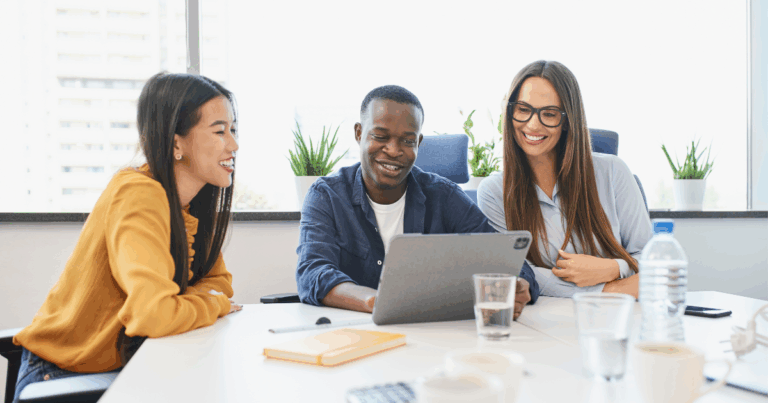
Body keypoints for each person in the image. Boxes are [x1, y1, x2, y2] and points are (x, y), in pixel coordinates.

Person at [12, 72, 241, 402]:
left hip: (125, 366)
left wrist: (193, 302)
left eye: (233, 130)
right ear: (176, 143)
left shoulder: (191, 205)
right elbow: (154, 314)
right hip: (66, 376)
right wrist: (213, 304)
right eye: (220, 131)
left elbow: (219, 281)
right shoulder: (138, 194)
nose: (233, 145)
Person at [296, 85, 539, 318]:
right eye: (380, 136)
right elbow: (312, 272)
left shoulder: (444, 196)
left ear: (419, 143)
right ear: (359, 133)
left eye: (408, 141)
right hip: (355, 332)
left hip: (433, 333)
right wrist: (376, 302)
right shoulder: (326, 196)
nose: (394, 150)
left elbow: (509, 260)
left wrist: (518, 285)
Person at [477, 60, 651, 299]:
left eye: (549, 114)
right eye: (523, 110)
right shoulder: (494, 191)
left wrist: (614, 267)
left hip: (620, 315)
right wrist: (610, 289)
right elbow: (516, 271)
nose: (533, 124)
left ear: (568, 121)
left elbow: (651, 259)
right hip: (548, 315)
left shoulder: (613, 172)